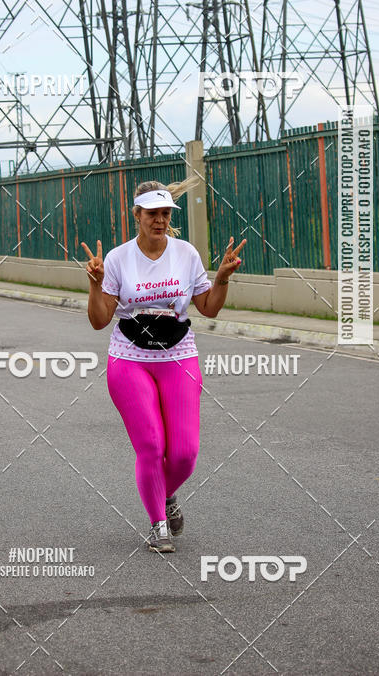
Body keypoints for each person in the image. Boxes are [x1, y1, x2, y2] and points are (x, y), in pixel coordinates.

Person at [82, 179, 245, 553]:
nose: (159, 220)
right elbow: (98, 320)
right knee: (152, 446)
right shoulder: (118, 259)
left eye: (165, 214)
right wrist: (95, 285)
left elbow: (209, 308)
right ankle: (158, 524)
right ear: (136, 214)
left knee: (185, 452)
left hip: (179, 357)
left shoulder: (186, 254)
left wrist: (221, 279)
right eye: (152, 213)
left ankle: (165, 494)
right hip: (129, 359)